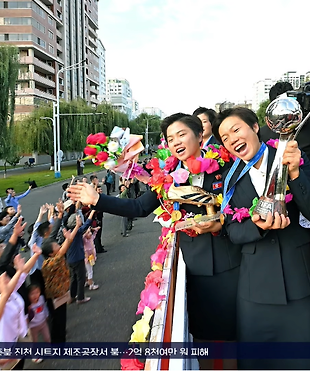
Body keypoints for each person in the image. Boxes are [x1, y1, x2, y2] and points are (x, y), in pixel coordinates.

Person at [68, 113, 242, 370]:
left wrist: (220, 224)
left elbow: (239, 212)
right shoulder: (169, 175)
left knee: (231, 338)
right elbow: (139, 207)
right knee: (201, 338)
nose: (176, 142)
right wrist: (98, 200)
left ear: (199, 135)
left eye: (182, 134)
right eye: (171, 139)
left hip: (228, 267)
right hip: (190, 268)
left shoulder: (227, 167)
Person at [211, 106, 310, 370]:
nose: (232, 140)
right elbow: (231, 231)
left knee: (304, 361)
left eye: (236, 130)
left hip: (301, 280)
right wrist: (257, 226)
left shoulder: (291, 155)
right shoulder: (230, 179)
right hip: (256, 289)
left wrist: (297, 173)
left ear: (255, 127)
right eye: (225, 138)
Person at [0, 248, 41, 370]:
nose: (9, 280)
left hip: (19, 338)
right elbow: (0, 335)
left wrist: (36, 255)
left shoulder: (11, 293)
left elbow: (23, 274)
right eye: (4, 281)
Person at [41, 214, 84, 344]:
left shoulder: (54, 258)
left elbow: (59, 246)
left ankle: (61, 335)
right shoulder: (50, 263)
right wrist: (74, 230)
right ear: (50, 253)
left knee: (61, 315)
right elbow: (62, 251)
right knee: (56, 317)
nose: (58, 246)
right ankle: (56, 340)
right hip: (55, 295)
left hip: (61, 292)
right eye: (55, 247)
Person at [27, 284, 50, 364]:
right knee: (34, 342)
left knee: (47, 337)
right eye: (32, 294)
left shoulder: (41, 299)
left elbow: (45, 307)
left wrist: (47, 315)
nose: (35, 295)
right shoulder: (28, 305)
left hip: (43, 323)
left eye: (37, 292)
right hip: (33, 326)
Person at [82, 226, 101, 290]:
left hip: (91, 258)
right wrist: (85, 233)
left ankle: (87, 281)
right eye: (88, 233)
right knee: (90, 271)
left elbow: (95, 233)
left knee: (88, 271)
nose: (90, 234)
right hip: (87, 258)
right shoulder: (85, 241)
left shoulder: (91, 238)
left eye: (90, 232)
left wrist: (94, 229)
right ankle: (91, 285)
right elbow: (82, 237)